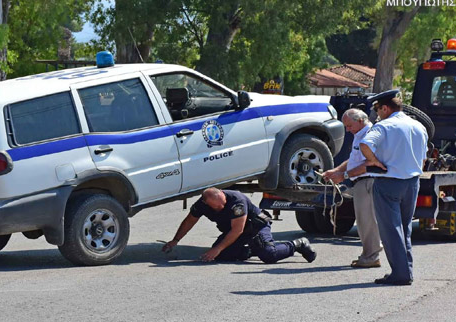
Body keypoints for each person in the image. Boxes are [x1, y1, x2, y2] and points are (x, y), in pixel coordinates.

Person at [360, 89, 428, 286]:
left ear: (385, 108)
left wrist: (374, 162)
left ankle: (401, 274)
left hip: (389, 181)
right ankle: (406, 270)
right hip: (412, 182)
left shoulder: (383, 126)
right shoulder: (418, 125)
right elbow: (423, 157)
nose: (377, 114)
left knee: (391, 230)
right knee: (404, 228)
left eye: (378, 110)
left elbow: (365, 145)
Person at [161, 188, 317, 263]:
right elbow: (189, 221)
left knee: (269, 255)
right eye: (217, 207)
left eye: (223, 204)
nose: (222, 208)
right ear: (205, 203)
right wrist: (175, 240)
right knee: (221, 255)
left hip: (256, 226)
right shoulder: (201, 205)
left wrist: (217, 248)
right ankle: (254, 249)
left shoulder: (236, 200)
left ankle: (297, 244)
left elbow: (238, 229)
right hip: (235, 231)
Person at [323, 108, 382, 268]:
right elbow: (353, 160)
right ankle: (369, 254)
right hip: (362, 181)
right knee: (364, 221)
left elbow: (368, 163)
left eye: (349, 126)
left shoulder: (370, 135)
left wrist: (344, 176)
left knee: (368, 221)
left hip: (368, 180)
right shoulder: (360, 135)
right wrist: (337, 170)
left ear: (361, 121)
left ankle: (371, 256)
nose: (348, 130)